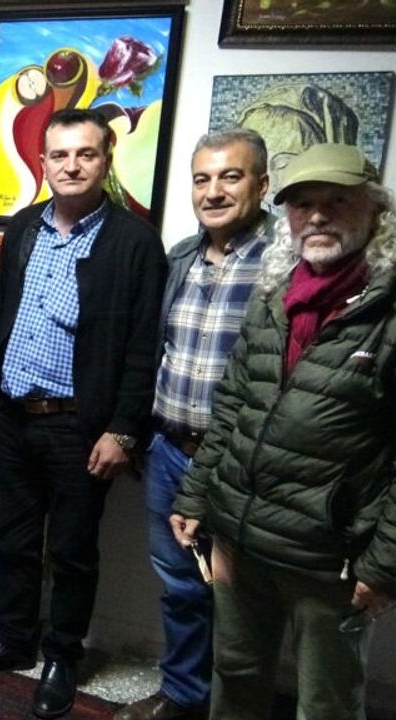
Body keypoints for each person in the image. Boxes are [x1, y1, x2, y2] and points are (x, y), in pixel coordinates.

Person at [171, 143, 396, 720]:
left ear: (376, 210)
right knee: (236, 678)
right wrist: (196, 496)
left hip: (329, 556)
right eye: (303, 205)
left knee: (326, 700)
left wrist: (386, 565)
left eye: (337, 201)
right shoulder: (275, 295)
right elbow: (233, 405)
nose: (318, 216)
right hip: (241, 536)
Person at [0, 108, 166, 720]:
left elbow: (144, 345)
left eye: (85, 154)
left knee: (71, 551)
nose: (71, 166)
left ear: (106, 159)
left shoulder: (134, 243)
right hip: (16, 417)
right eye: (60, 155)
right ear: (42, 162)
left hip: (81, 428)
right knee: (14, 539)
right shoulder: (22, 227)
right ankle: (14, 638)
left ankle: (62, 657)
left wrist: (124, 429)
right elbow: (3, 317)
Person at [115, 128, 274, 720]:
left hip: (244, 460)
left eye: (230, 177)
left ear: (262, 183)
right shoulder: (181, 254)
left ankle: (237, 708)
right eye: (202, 179)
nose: (214, 191)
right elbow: (155, 349)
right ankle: (184, 696)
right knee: (181, 583)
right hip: (170, 451)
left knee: (243, 595)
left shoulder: (285, 260)